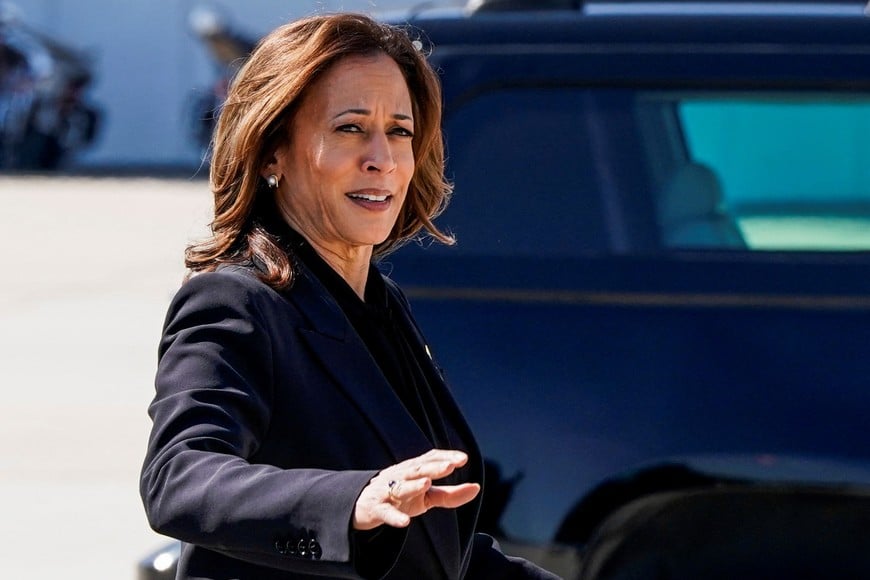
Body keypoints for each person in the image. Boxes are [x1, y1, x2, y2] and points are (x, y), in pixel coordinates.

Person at [139, 12, 561, 580]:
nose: (382, 158)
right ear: (272, 152)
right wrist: (352, 502)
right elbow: (178, 478)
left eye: (400, 131)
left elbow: (441, 554)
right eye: (350, 128)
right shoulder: (233, 302)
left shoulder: (379, 306)